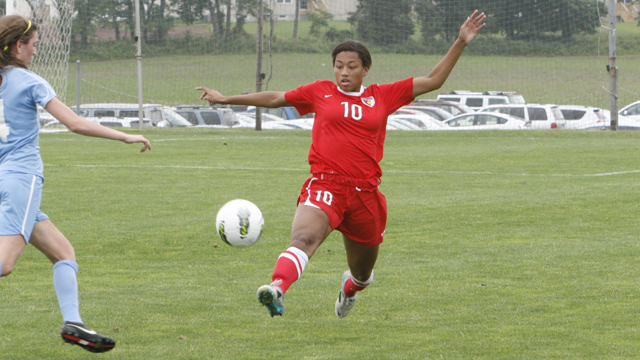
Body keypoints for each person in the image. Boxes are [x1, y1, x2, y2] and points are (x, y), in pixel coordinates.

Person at [197, 10, 486, 318]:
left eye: (351, 67)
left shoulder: (383, 96)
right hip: (326, 185)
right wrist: (227, 99)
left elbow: (433, 80)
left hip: (365, 195)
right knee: (304, 238)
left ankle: (350, 288)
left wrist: (460, 41)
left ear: (366, 69)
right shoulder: (320, 91)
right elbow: (276, 98)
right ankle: (276, 288)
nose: (343, 72)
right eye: (338, 66)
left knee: (362, 274)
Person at [0, 15, 151, 352]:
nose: (36, 52)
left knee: (63, 253)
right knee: (5, 264)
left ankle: (74, 323)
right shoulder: (29, 81)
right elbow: (75, 123)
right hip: (19, 179)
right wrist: (124, 136)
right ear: (17, 45)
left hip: (4, 182)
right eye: (34, 45)